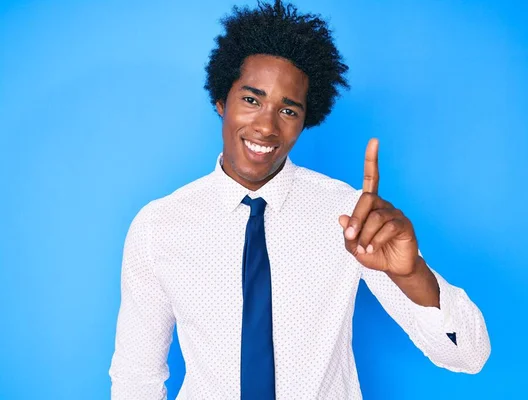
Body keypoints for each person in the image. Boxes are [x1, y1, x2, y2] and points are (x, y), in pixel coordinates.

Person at [108, 1, 491, 398]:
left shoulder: (349, 216)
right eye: (251, 100)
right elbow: (136, 377)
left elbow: (470, 355)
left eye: (288, 110)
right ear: (222, 101)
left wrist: (412, 275)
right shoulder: (159, 226)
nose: (266, 126)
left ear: (306, 120)